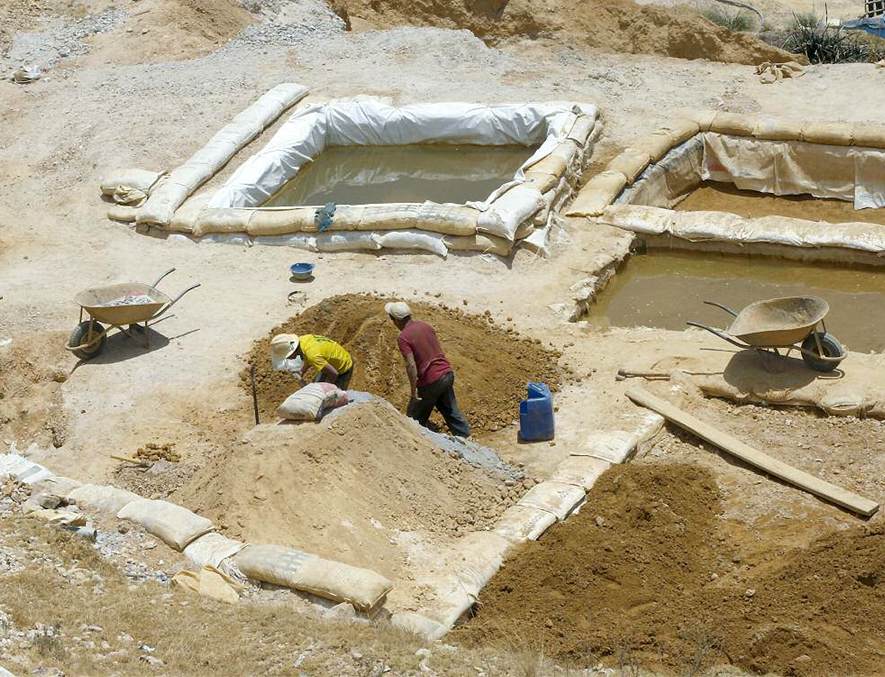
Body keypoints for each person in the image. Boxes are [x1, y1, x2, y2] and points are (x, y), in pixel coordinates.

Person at [385, 301, 471, 438]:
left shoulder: (403, 337)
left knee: (413, 418)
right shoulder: (425, 326)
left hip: (431, 381)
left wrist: (414, 391)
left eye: (392, 319)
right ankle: (466, 437)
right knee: (450, 410)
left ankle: (415, 443)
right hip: (446, 374)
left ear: (395, 320)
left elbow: (411, 365)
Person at [270, 333, 354, 390]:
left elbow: (333, 374)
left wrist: (325, 392)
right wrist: (302, 371)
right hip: (334, 359)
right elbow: (308, 357)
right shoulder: (304, 340)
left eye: (287, 356)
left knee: (331, 398)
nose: (287, 359)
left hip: (343, 368)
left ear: (293, 351)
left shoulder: (313, 355)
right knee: (316, 387)